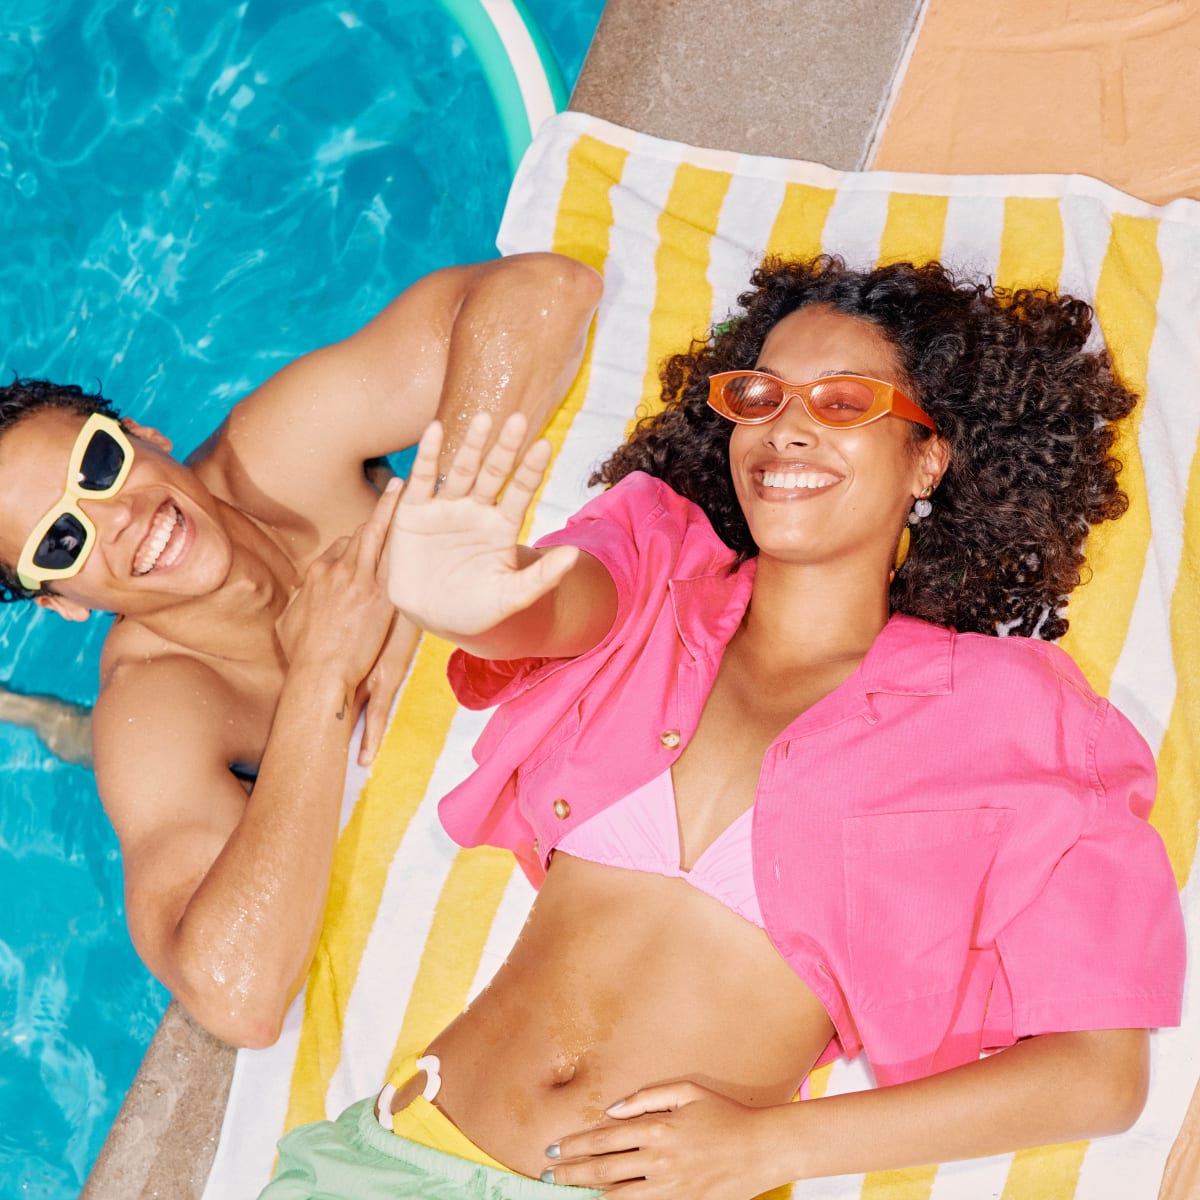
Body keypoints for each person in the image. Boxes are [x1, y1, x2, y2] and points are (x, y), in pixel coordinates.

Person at [261, 256, 1185, 1198]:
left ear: (930, 457)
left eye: (841, 403)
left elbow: (1099, 1075)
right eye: (760, 395)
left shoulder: (1020, 718)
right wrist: (460, 603)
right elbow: (540, 606)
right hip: (389, 1166)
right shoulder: (659, 563)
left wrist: (766, 1150)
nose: (785, 427)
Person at [0, 252, 602, 1049]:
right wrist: (323, 672)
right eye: (63, 539)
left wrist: (425, 553)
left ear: (143, 437)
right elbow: (234, 995)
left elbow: (546, 291)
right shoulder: (156, 704)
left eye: (99, 466)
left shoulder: (277, 448)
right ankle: (36, 713)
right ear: (64, 602)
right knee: (85, 739)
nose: (121, 518)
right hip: (220, 737)